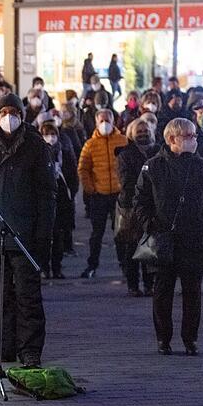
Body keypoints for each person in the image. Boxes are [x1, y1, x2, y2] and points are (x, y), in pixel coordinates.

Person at [0, 93, 55, 368]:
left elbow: (47, 195)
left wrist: (43, 234)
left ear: (22, 114)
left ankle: (29, 350)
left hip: (24, 235)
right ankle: (1, 346)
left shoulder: (36, 147)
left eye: (13, 111)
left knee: (28, 297)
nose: (8, 116)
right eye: (3, 111)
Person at [134, 118, 203, 356]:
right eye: (189, 136)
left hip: (194, 239)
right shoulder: (153, 166)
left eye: (194, 136)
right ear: (172, 139)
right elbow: (140, 201)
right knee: (162, 291)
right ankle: (163, 338)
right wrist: (150, 224)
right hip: (163, 240)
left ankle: (190, 339)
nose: (195, 140)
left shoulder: (202, 167)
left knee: (193, 292)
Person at [77, 109, 128, 279]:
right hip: (99, 195)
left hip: (118, 195)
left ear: (113, 121)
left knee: (120, 232)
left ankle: (125, 264)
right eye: (102, 120)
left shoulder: (123, 141)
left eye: (108, 119)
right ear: (97, 122)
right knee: (96, 233)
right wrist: (90, 188)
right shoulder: (90, 145)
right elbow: (83, 169)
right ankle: (92, 265)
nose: (105, 123)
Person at [115, 119, 159, 297]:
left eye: (146, 129)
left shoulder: (157, 152)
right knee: (132, 246)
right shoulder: (126, 155)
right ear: (132, 134)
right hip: (131, 206)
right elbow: (126, 181)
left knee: (150, 246)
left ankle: (150, 284)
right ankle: (133, 284)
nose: (143, 133)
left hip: (152, 205)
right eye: (139, 130)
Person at [39, 121, 72, 280]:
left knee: (58, 235)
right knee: (45, 237)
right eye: (46, 134)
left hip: (61, 197)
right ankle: (44, 267)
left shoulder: (63, 151)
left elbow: (71, 173)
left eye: (53, 134)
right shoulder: (38, 154)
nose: (50, 138)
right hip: (44, 198)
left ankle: (57, 268)